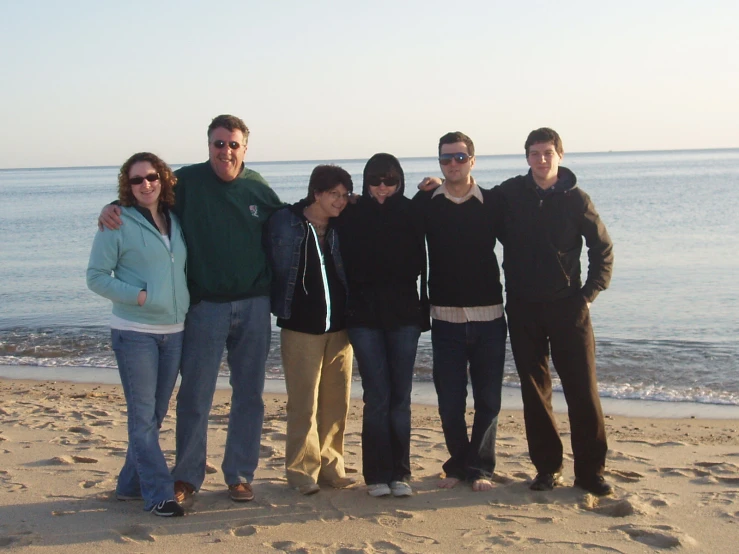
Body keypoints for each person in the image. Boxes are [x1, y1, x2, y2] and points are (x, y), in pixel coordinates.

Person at [98, 115, 284, 504]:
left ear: (245, 148)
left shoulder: (258, 188)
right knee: (195, 395)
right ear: (209, 145)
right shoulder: (185, 183)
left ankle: (239, 475)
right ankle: (186, 476)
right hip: (204, 309)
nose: (226, 151)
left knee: (249, 394)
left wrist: (345, 202)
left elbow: (291, 221)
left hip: (253, 305)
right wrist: (112, 206)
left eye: (233, 144)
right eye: (219, 144)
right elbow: (143, 195)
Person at [496, 128, 614, 495]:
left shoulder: (577, 199)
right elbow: (471, 198)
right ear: (527, 157)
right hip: (523, 307)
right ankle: (547, 468)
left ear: (560, 155)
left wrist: (588, 295)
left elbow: (603, 250)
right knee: (535, 391)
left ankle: (591, 472)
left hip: (569, 308)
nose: (541, 159)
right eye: (534, 153)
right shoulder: (510, 193)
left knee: (583, 390)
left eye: (548, 152)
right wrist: (441, 183)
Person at [87, 152, 189, 517]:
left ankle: (130, 484)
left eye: (151, 177)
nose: (145, 184)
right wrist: (139, 296)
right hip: (135, 333)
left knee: (155, 415)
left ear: (162, 179)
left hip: (174, 332)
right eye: (136, 180)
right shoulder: (117, 223)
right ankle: (159, 494)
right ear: (126, 187)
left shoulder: (175, 220)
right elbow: (96, 276)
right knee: (143, 416)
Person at [412, 132, 507, 492]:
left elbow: (525, 238)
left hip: (490, 317)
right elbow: (392, 224)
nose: (453, 164)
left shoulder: (493, 202)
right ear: (439, 162)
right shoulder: (426, 203)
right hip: (446, 319)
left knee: (489, 400)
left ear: (473, 160)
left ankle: (480, 468)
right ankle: (456, 465)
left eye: (460, 157)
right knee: (450, 402)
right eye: (446, 159)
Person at [336, 153, 427, 497]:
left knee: (400, 397)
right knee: (377, 396)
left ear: (399, 180)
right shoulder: (352, 212)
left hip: (405, 315)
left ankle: (400, 473)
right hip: (362, 316)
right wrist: (347, 198)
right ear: (366, 181)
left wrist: (432, 187)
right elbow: (314, 206)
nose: (382, 188)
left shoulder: (413, 210)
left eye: (389, 180)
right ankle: (376, 474)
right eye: (375, 180)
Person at [265, 165, 355, 496]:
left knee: (336, 403)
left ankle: (332, 468)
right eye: (334, 194)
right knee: (303, 404)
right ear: (316, 193)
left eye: (345, 195)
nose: (340, 201)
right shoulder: (284, 222)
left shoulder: (343, 223)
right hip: (300, 328)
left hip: (341, 329)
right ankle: (302, 472)